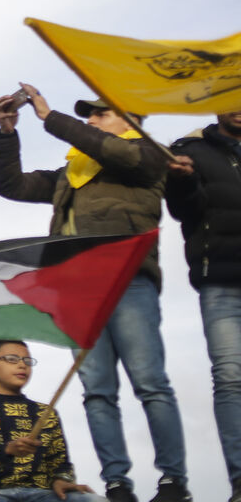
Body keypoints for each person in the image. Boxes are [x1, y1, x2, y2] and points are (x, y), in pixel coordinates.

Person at [0, 88, 190, 502]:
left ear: (130, 120)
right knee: (97, 389)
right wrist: (7, 133)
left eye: (101, 114)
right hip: (79, 290)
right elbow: (12, 185)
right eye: (90, 117)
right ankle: (117, 483)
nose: (92, 121)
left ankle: (173, 481)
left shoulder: (151, 156)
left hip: (128, 281)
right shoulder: (73, 172)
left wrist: (50, 116)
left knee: (150, 382)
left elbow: (119, 153)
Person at [166, 109, 241, 502]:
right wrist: (182, 181)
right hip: (222, 281)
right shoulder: (189, 150)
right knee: (230, 377)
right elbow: (183, 210)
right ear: (218, 105)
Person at [0, 339, 103, 502]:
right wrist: (8, 450)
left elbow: (60, 463)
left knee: (94, 500)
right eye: (12, 359)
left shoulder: (46, 412)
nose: (22, 365)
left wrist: (62, 480)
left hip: (41, 493)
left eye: (27, 361)